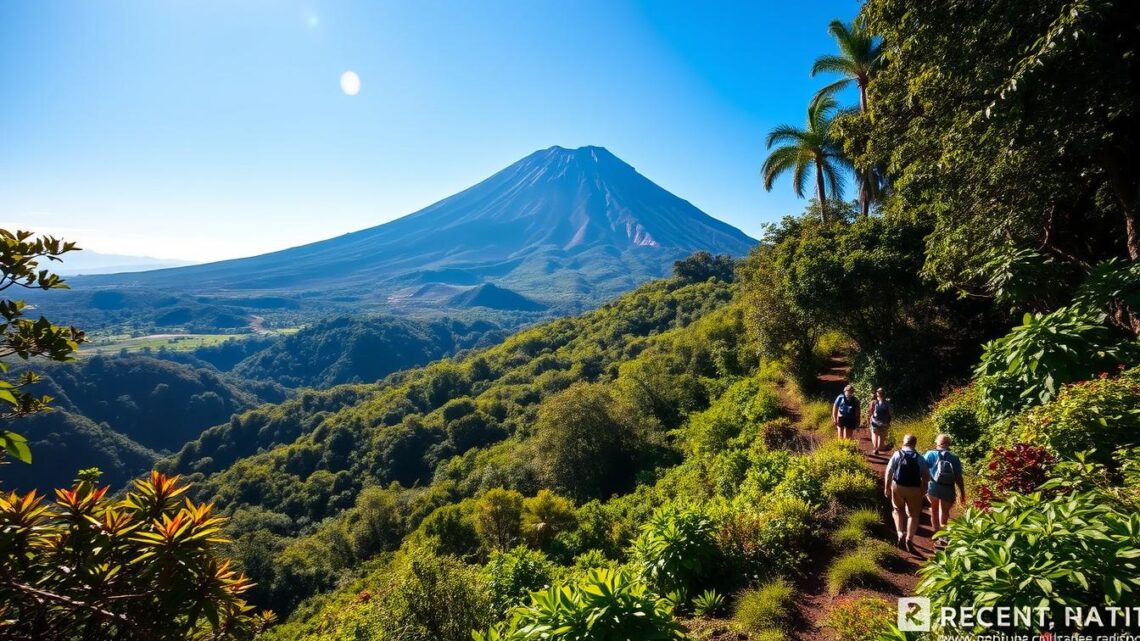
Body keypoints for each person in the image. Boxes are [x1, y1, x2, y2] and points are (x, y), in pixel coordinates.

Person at [884, 433, 930, 553]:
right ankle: (909, 538)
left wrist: (887, 487)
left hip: (897, 486)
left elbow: (889, 471)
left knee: (897, 510)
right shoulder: (919, 458)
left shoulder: (897, 454)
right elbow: (926, 476)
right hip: (914, 488)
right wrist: (924, 489)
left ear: (904, 442)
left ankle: (900, 533)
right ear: (914, 444)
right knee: (913, 515)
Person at [923, 434, 966, 543]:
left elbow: (922, 470)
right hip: (948, 488)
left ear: (937, 443)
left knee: (934, 509)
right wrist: (962, 492)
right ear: (949, 443)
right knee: (944, 511)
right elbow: (958, 477)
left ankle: (936, 532)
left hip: (933, 486)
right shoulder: (954, 458)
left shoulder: (929, 454)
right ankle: (943, 534)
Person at [867, 388, 892, 454]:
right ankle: (880, 447)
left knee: (874, 434)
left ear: (877, 394)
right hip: (884, 422)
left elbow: (870, 412)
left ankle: (875, 448)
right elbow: (890, 413)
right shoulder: (887, 403)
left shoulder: (873, 402)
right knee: (881, 435)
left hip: (874, 421)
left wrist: (869, 420)